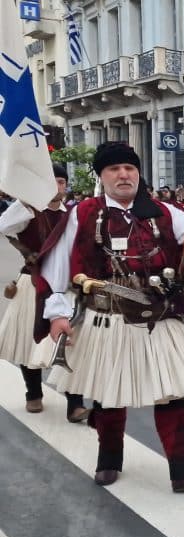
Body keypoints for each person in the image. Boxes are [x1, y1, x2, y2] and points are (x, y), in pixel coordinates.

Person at [38, 142, 184, 491]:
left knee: (170, 393)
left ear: (138, 174)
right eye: (115, 169)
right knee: (108, 393)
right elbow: (59, 265)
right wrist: (56, 313)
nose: (124, 175)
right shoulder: (84, 213)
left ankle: (182, 467)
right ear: (101, 177)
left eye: (130, 169)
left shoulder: (165, 212)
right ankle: (108, 458)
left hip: (158, 317)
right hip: (107, 317)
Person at [0, 164, 88, 421]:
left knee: (72, 344)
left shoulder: (73, 214)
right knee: (30, 342)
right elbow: (3, 226)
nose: (56, 187)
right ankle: (33, 394)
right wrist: (26, 202)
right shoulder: (27, 210)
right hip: (32, 282)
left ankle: (76, 404)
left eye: (61, 181)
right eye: (51, 182)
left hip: (67, 285)